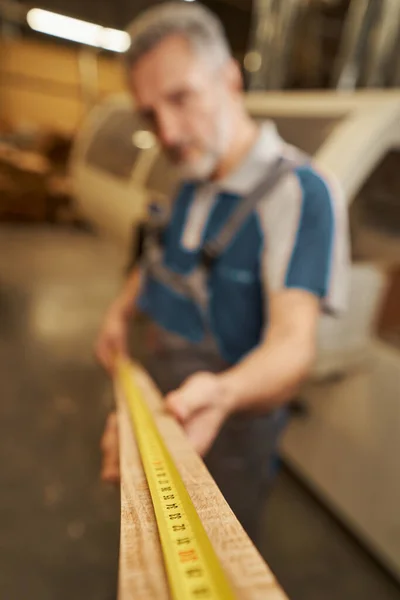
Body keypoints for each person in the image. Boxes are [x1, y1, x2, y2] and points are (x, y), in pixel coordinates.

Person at [96, 2, 349, 546]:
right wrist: (119, 312)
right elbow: (158, 263)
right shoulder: (190, 175)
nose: (166, 130)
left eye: (181, 98)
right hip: (160, 391)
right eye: (148, 114)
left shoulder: (300, 193)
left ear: (230, 77)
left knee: (210, 550)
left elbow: (292, 344)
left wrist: (225, 392)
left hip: (224, 422)